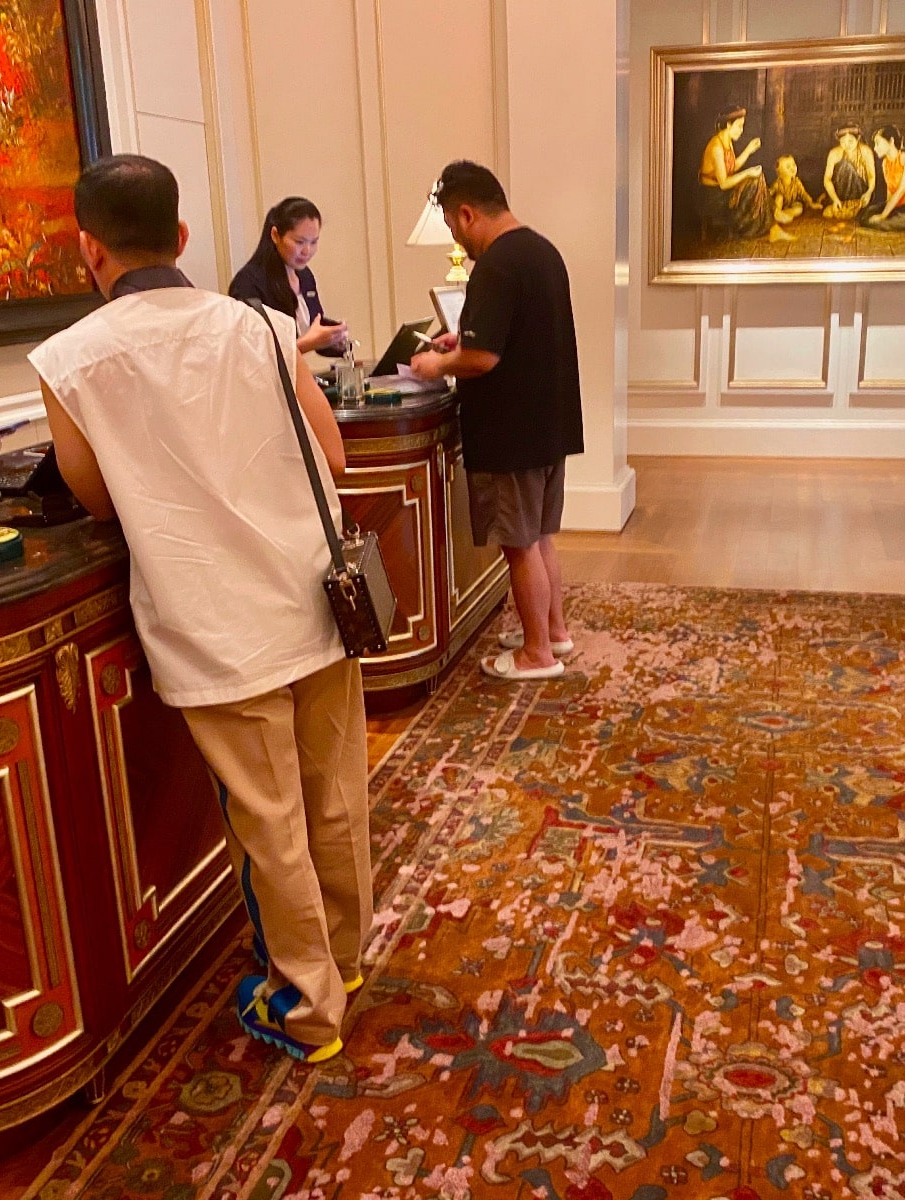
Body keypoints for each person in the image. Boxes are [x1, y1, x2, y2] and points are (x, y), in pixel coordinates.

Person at [29, 155, 368, 1065]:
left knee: (271, 824)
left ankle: (306, 1007)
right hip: (317, 592)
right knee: (334, 795)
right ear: (180, 239)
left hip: (218, 617)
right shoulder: (261, 324)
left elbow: (95, 496)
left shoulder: (69, 359)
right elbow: (328, 450)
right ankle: (345, 960)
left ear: (87, 248)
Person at [409, 161, 583, 682]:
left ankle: (536, 655)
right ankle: (553, 632)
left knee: (519, 543)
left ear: (466, 213)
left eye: (452, 226)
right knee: (541, 536)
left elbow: (484, 361)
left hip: (512, 431)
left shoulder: (496, 265)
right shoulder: (541, 251)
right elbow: (514, 337)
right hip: (548, 424)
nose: (457, 241)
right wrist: (461, 343)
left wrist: (437, 362)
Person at [227, 196, 349, 356]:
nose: (307, 251)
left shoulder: (305, 276)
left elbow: (312, 328)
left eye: (313, 242)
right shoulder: (248, 283)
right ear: (275, 235)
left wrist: (334, 338)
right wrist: (309, 343)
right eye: (299, 242)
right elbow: (255, 355)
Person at [697, 105, 773, 241]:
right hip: (713, 196)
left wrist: (748, 150)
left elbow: (731, 168)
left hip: (722, 191)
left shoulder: (727, 141)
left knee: (758, 178)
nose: (741, 130)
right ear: (728, 125)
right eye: (739, 126)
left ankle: (767, 223)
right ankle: (754, 226)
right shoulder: (716, 148)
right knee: (754, 182)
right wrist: (747, 173)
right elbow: (724, 184)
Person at [861, 125, 905, 232]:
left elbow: (901, 189)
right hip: (898, 204)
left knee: (882, 223)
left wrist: (883, 216)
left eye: (878, 143)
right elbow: (890, 190)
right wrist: (887, 210)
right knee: (865, 215)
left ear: (891, 141)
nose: (875, 148)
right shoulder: (885, 163)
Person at [822, 125, 876, 220]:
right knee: (827, 214)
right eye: (843, 142)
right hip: (840, 194)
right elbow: (827, 179)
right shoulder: (834, 153)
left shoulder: (866, 151)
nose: (847, 145)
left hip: (861, 192)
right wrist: (835, 199)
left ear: (857, 139)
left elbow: (871, 175)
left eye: (850, 141)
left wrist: (869, 192)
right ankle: (841, 205)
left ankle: (855, 208)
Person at [767, 154, 820, 242]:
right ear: (779, 172)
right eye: (788, 167)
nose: (792, 168)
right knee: (779, 197)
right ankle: (778, 213)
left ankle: (785, 214)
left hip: (791, 203)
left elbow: (804, 194)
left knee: (799, 208)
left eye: (793, 165)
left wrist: (811, 203)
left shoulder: (797, 182)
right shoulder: (777, 184)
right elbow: (769, 193)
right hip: (780, 205)